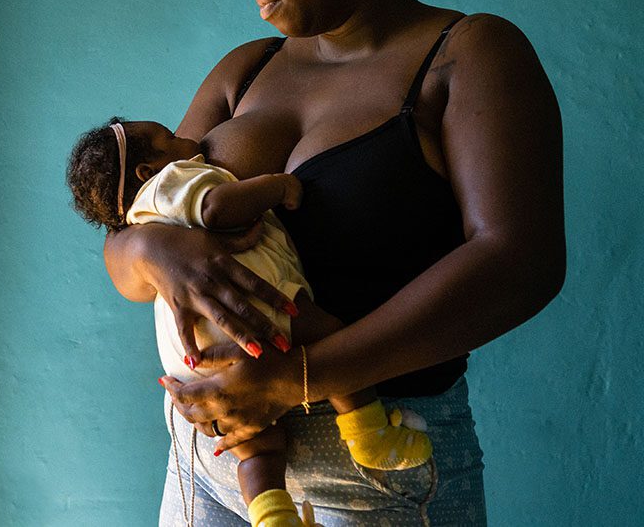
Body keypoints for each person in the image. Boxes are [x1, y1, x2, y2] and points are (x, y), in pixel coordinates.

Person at [101, 0, 565, 526]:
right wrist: (154, 248)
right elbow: (126, 249)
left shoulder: (470, 56)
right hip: (214, 466)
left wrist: (301, 377)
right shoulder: (244, 70)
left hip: (378, 478)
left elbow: (518, 261)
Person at [67, 118, 433, 527]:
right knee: (329, 333)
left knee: (257, 449)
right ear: (145, 172)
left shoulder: (140, 212)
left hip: (194, 357)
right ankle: (369, 434)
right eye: (170, 139)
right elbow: (217, 208)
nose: (188, 138)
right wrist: (277, 187)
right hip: (256, 310)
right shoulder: (173, 181)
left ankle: (273, 516)